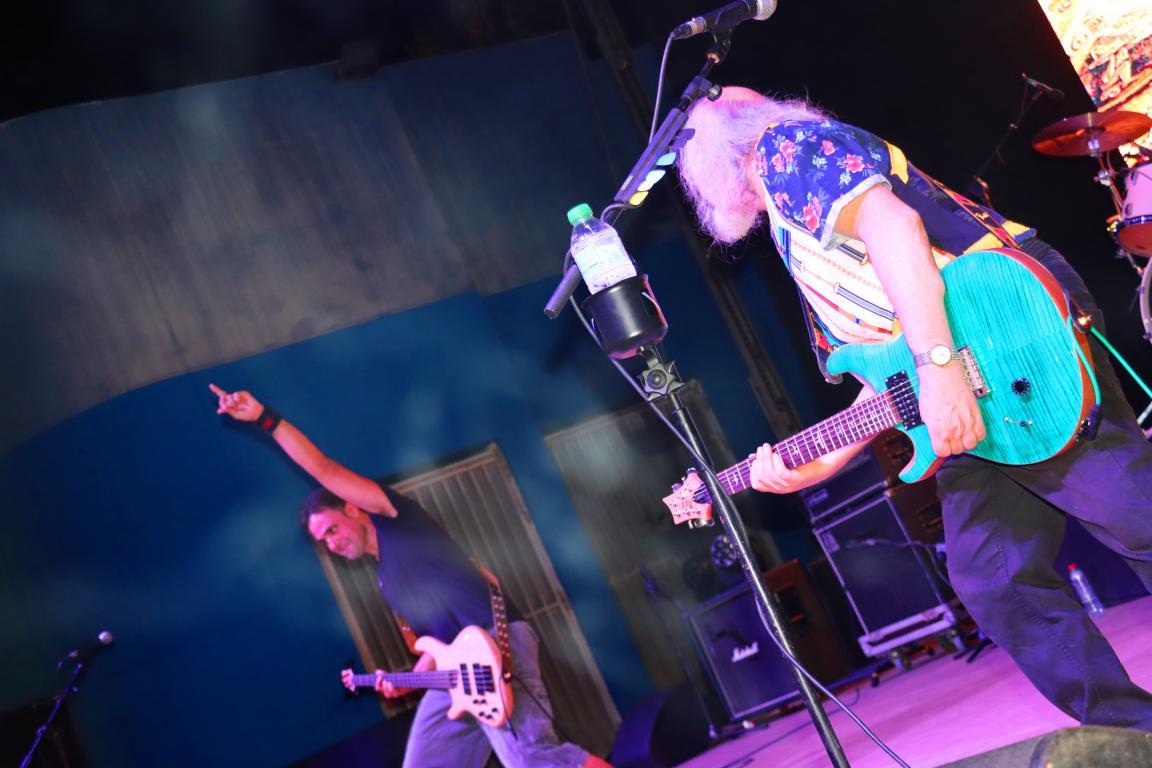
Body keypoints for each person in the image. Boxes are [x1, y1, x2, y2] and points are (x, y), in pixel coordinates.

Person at [677, 86, 1152, 729]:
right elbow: (885, 368)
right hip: (955, 369)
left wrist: (939, 366)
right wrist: (821, 460)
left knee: (1132, 513)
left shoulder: (784, 149)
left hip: (1001, 327)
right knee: (993, 577)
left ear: (715, 159)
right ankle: (1134, 733)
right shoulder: (795, 227)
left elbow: (895, 227)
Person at [209, 383, 612, 768]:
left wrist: (265, 419)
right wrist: (405, 681)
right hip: (458, 674)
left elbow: (324, 469)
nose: (331, 543)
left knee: (532, 758)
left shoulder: (395, 520)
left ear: (352, 509)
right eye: (322, 542)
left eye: (331, 530)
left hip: (494, 643)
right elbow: (435, 649)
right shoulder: (386, 581)